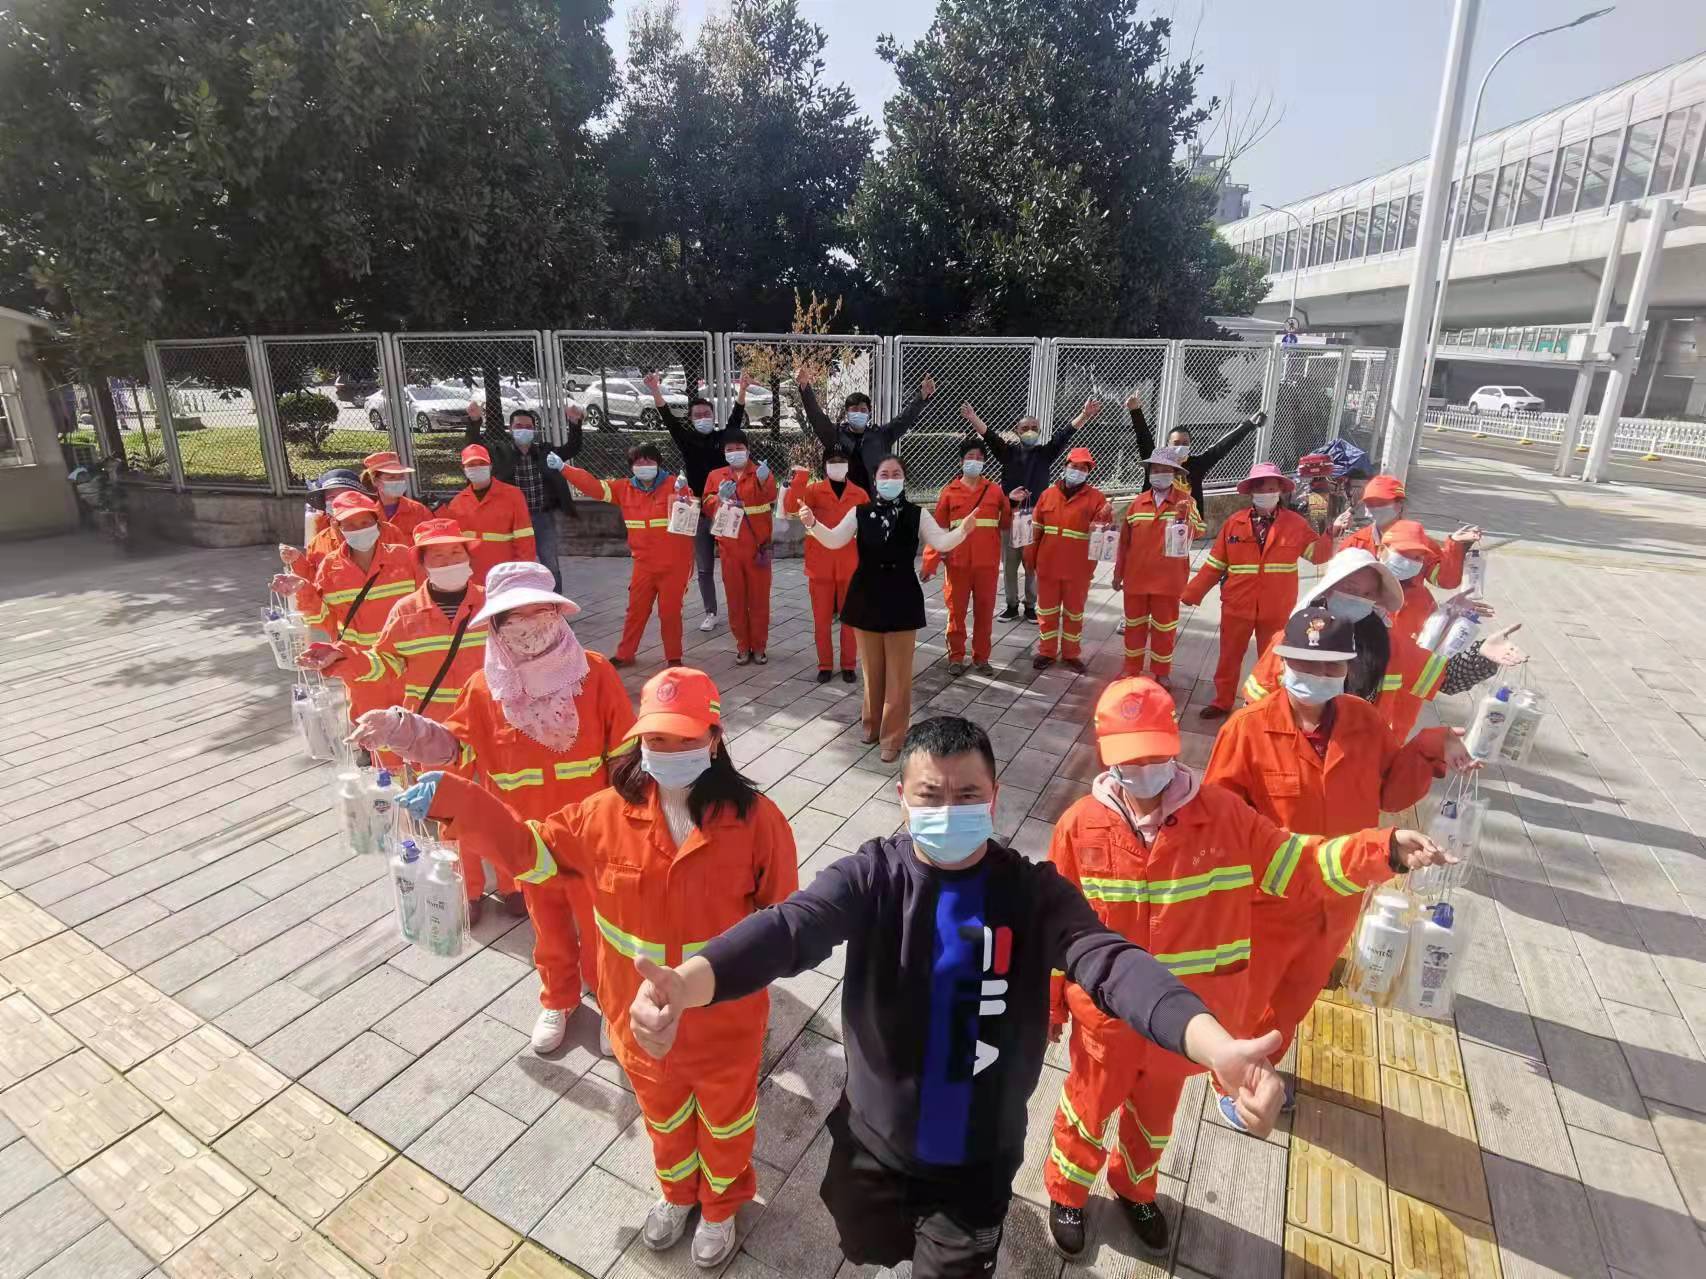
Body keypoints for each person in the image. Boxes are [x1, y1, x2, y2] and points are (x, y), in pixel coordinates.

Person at [620, 715, 1291, 1279]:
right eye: (930, 794)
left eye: (966, 793)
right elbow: (790, 927)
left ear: (993, 796)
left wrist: (1215, 1046)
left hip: (977, 1161)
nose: (948, 810)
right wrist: (691, 982)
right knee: (865, 1243)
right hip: (872, 1145)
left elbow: (1112, 962)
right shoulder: (874, 876)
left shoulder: (1031, 893)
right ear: (902, 798)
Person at [394, 667, 797, 1270]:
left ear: (714, 740)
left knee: (726, 1120)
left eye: (685, 739)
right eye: (656, 739)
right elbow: (532, 851)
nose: (669, 751)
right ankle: (676, 1193)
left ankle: (720, 1206)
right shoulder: (602, 816)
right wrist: (461, 802)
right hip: (636, 1017)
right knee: (661, 1114)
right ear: (640, 742)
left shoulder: (759, 822)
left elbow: (783, 923)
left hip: (724, 1021)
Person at [1043, 677, 1453, 1257]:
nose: (1145, 772)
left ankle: (1135, 1188)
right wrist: (1050, 1008)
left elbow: (1300, 864)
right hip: (1106, 1025)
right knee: (1086, 1110)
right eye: (1130, 761)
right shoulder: (1079, 827)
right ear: (1108, 756)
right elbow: (1055, 931)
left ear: (1175, 746)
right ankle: (1067, 1191)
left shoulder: (1225, 819)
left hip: (1187, 1027)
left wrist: (1380, 849)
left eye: (1155, 756)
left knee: (1155, 1121)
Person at [348, 562, 636, 1054]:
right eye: (514, 617)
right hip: (527, 840)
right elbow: (453, 747)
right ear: (497, 627)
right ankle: (559, 997)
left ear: (558, 615)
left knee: (604, 927)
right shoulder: (485, 689)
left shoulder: (595, 674)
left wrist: (634, 825)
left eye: (540, 612)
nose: (530, 626)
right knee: (547, 926)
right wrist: (402, 728)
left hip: (595, 837)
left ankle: (612, 1001)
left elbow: (627, 756)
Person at [1204, 607, 1473, 1124]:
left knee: (1295, 999)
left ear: (1348, 668)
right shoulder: (1247, 731)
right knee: (1246, 999)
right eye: (1304, 663)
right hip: (1267, 906)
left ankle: (1264, 1068)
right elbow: (1219, 825)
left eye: (1330, 666)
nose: (1318, 675)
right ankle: (1234, 1082)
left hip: (1339, 903)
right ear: (1283, 662)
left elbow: (1392, 790)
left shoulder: (1363, 721)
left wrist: (1430, 746)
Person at [796, 455, 973, 762]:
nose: (890, 479)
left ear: (904, 479)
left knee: (899, 675)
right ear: (875, 480)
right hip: (866, 596)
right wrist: (812, 524)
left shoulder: (917, 514)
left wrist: (964, 531)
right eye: (884, 474)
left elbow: (941, 542)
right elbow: (835, 540)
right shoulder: (860, 512)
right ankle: (872, 727)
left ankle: (893, 738)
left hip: (902, 597)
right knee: (872, 670)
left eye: (896, 474)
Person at [1238, 549, 1527, 737]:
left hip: (1356, 756)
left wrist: (1483, 654)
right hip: (1287, 754)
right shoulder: (1292, 639)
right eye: (1349, 588)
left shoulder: (1388, 645)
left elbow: (1444, 679)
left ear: (1376, 600)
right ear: (1328, 589)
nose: (1355, 598)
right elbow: (1255, 702)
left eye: (1366, 594)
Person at [299, 517, 488, 724]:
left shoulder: (493, 604)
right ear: (422, 564)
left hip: (486, 723)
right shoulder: (405, 611)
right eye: (438, 555)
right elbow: (386, 663)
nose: (449, 561)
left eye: (456, 552)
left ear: (468, 557)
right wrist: (344, 657)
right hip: (429, 727)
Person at [272, 491, 419, 754]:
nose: (359, 529)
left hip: (406, 662)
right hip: (360, 666)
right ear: (337, 527)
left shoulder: (404, 558)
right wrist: (303, 590)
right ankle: (382, 769)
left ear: (377, 523)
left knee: (414, 730)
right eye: (350, 524)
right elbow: (323, 619)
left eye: (364, 522)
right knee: (374, 734)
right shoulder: (331, 567)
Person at [1183, 462, 1331, 720]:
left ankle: (1268, 704)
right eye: (1261, 488)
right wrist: (1192, 593)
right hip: (1237, 605)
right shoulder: (1234, 523)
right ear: (1252, 491)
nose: (1266, 493)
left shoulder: (1295, 524)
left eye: (1272, 488)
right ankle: (1222, 701)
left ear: (1280, 491)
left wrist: (1331, 533)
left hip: (1276, 607)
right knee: (1229, 656)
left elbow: (1317, 556)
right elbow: (1215, 564)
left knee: (1273, 658)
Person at [962, 397, 1103, 621]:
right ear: (1016, 430)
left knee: (1032, 564)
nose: (1030, 431)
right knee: (1010, 565)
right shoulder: (1007, 452)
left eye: (1034, 428)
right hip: (1011, 515)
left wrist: (1084, 415)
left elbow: (1065, 434)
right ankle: (1011, 604)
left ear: (1040, 431)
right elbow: (989, 435)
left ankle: (1030, 605)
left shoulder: (1045, 453)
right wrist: (972, 418)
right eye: (1025, 427)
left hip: (1036, 519)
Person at [556, 444, 696, 668]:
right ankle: (625, 654)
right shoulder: (623, 488)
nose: (644, 465)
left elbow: (689, 520)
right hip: (643, 564)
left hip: (674, 565)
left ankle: (674, 658)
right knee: (635, 611)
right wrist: (565, 469)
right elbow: (594, 487)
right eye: (638, 461)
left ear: (658, 463)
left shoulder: (675, 485)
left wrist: (684, 494)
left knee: (669, 612)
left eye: (648, 460)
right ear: (631, 466)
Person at [647, 371, 751, 636]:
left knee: (734, 563)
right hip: (698, 511)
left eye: (707, 414)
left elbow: (736, 416)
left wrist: (742, 390)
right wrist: (655, 390)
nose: (703, 418)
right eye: (698, 415)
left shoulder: (723, 438)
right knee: (704, 567)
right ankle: (711, 612)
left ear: (713, 416)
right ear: (692, 419)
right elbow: (668, 419)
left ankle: (741, 608)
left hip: (724, 507)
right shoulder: (687, 439)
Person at [1111, 446, 1204, 686]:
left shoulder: (1186, 501)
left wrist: (1184, 518)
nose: (1158, 474)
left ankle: (1161, 672)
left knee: (1165, 628)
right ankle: (1131, 669)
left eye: (1164, 470)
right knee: (1134, 626)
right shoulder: (1137, 503)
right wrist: (1118, 574)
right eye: (1155, 470)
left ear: (1174, 473)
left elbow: (1198, 532)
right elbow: (1124, 543)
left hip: (1168, 581)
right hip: (1136, 579)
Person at [921, 437, 1011, 677]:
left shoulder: (994, 491)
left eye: (980, 458)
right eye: (970, 457)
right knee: (956, 612)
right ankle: (956, 657)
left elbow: (1005, 523)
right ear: (961, 462)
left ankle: (982, 658)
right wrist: (929, 563)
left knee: (985, 612)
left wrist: (1013, 503)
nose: (975, 461)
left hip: (987, 564)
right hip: (957, 563)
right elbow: (938, 530)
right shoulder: (949, 492)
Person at [1024, 446, 1113, 673]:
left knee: (1074, 613)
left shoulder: (1097, 498)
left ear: (1089, 472)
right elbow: (1035, 532)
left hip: (1078, 569)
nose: (1078, 471)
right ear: (1065, 467)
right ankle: (1047, 651)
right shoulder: (1047, 495)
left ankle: (1071, 654)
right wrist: (1030, 561)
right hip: (1049, 565)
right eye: (1074, 466)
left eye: (1083, 468)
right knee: (1047, 612)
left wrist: (1104, 520)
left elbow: (1101, 536)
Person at [783, 446, 868, 684]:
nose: (837, 464)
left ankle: (849, 665)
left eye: (841, 460)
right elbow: (791, 507)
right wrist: (800, 477)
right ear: (825, 465)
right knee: (821, 621)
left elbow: (868, 530)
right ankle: (825, 665)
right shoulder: (813, 490)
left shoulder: (859, 494)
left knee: (850, 620)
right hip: (820, 565)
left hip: (850, 564)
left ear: (848, 464)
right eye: (832, 461)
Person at [700, 432, 778, 666]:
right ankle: (742, 646)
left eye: (739, 448)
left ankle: (759, 647)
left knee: (759, 601)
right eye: (730, 449)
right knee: (735, 601)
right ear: (724, 453)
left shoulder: (761, 472)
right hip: (730, 550)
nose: (735, 453)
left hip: (758, 549)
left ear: (748, 449)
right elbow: (707, 506)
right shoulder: (716, 476)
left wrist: (764, 480)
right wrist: (719, 498)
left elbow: (771, 496)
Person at [799, 366, 936, 494]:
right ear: (847, 413)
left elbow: (904, 420)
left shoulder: (880, 436)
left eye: (863, 410)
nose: (858, 413)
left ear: (869, 413)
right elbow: (816, 417)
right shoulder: (835, 435)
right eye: (854, 410)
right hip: (840, 501)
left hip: (872, 500)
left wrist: (922, 395)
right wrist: (805, 387)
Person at [1334, 474, 1482, 590]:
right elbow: (1335, 581)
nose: (1374, 508)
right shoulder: (1355, 542)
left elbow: (1446, 581)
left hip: (1408, 615)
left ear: (1399, 505)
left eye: (1380, 503)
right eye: (1369, 504)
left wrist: (1455, 545)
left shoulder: (1420, 543)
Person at [1127, 396, 1265, 519]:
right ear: (1167, 444)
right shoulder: (1156, 463)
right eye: (1176, 443)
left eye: (1185, 443)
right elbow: (1143, 438)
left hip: (1185, 524)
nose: (1180, 446)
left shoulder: (1196, 465)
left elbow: (1222, 447)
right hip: (1151, 520)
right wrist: (1135, 411)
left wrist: (1249, 425)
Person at [490, 407, 581, 592]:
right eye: (519, 426)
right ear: (510, 428)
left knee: (550, 563)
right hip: (512, 521)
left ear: (534, 429)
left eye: (528, 427)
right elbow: (474, 449)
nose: (524, 430)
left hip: (542, 517)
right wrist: (474, 422)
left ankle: (555, 604)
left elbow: (572, 448)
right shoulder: (501, 453)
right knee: (516, 565)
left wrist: (574, 424)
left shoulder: (544, 452)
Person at [283, 467, 405, 579]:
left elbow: (408, 571)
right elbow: (315, 583)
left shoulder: (390, 532)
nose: (338, 501)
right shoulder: (317, 543)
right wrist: (297, 561)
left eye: (345, 495)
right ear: (324, 503)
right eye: (331, 497)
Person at [442, 444, 536, 587]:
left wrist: (522, 573)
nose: (477, 468)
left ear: (490, 466)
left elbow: (525, 539)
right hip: (472, 577)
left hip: (505, 574)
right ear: (464, 469)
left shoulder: (513, 496)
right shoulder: (457, 503)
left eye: (481, 463)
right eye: (471, 465)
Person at [360, 451, 432, 539]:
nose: (398, 481)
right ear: (375, 481)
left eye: (401, 476)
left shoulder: (419, 510)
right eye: (391, 477)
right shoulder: (365, 512)